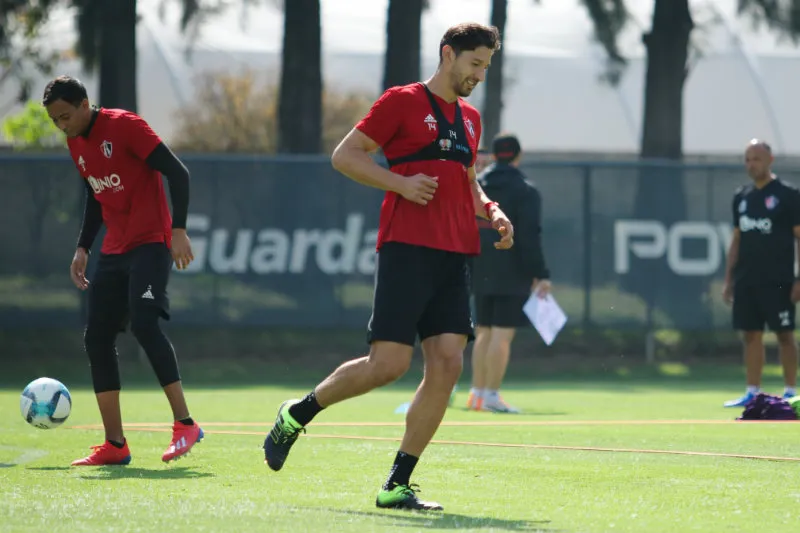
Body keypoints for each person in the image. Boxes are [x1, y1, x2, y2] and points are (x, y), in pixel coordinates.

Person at [263, 22, 510, 511]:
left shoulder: (471, 119)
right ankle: (298, 412)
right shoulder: (401, 101)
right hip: (407, 248)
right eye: (475, 63)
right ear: (448, 54)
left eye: (486, 65)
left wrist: (491, 209)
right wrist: (399, 185)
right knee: (389, 366)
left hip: (457, 253)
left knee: (447, 364)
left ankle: (397, 484)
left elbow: (467, 179)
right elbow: (345, 156)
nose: (480, 74)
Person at [42, 75, 204, 465]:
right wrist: (83, 247)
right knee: (97, 337)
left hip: (151, 241)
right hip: (114, 248)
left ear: (84, 104)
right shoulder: (75, 142)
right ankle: (115, 445)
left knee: (145, 323)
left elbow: (178, 172)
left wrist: (178, 230)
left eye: (66, 116)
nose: (63, 125)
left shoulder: (125, 126)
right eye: (55, 121)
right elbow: (96, 197)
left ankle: (186, 424)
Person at [466, 133, 551, 413]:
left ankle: (477, 394)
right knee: (501, 336)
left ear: (493, 156)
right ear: (517, 155)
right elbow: (529, 236)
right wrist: (540, 273)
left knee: (484, 333)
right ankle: (491, 395)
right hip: (511, 270)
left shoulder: (479, 185)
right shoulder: (525, 190)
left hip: (478, 266)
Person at [722, 139, 800, 407]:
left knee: (784, 334)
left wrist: (799, 278)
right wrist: (728, 279)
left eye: (756, 158)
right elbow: (736, 241)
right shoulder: (741, 197)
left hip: (779, 280)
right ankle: (753, 392)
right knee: (751, 334)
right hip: (747, 279)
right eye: (747, 159)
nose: (751, 164)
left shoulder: (788, 195)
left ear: (770, 161)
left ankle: (791, 391)